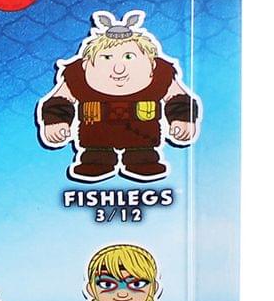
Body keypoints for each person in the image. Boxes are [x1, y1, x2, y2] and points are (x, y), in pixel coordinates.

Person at [38, 11, 200, 181]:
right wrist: (56, 122)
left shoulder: (162, 76)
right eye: (107, 57)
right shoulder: (76, 77)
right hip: (96, 140)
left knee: (142, 157)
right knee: (95, 158)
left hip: (142, 139)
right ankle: (96, 161)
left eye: (129, 57)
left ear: (152, 63)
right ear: (86, 64)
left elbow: (178, 98)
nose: (119, 68)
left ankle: (142, 161)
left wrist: (183, 119)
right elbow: (59, 100)